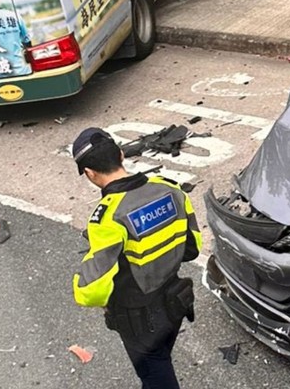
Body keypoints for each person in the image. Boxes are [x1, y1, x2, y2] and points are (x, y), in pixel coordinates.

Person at [72, 128, 201, 389]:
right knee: (161, 361)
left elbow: (92, 292)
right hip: (175, 301)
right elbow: (192, 248)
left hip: (138, 318)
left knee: (155, 376)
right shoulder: (170, 188)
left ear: (89, 173)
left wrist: (78, 280)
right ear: (121, 155)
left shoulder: (106, 217)